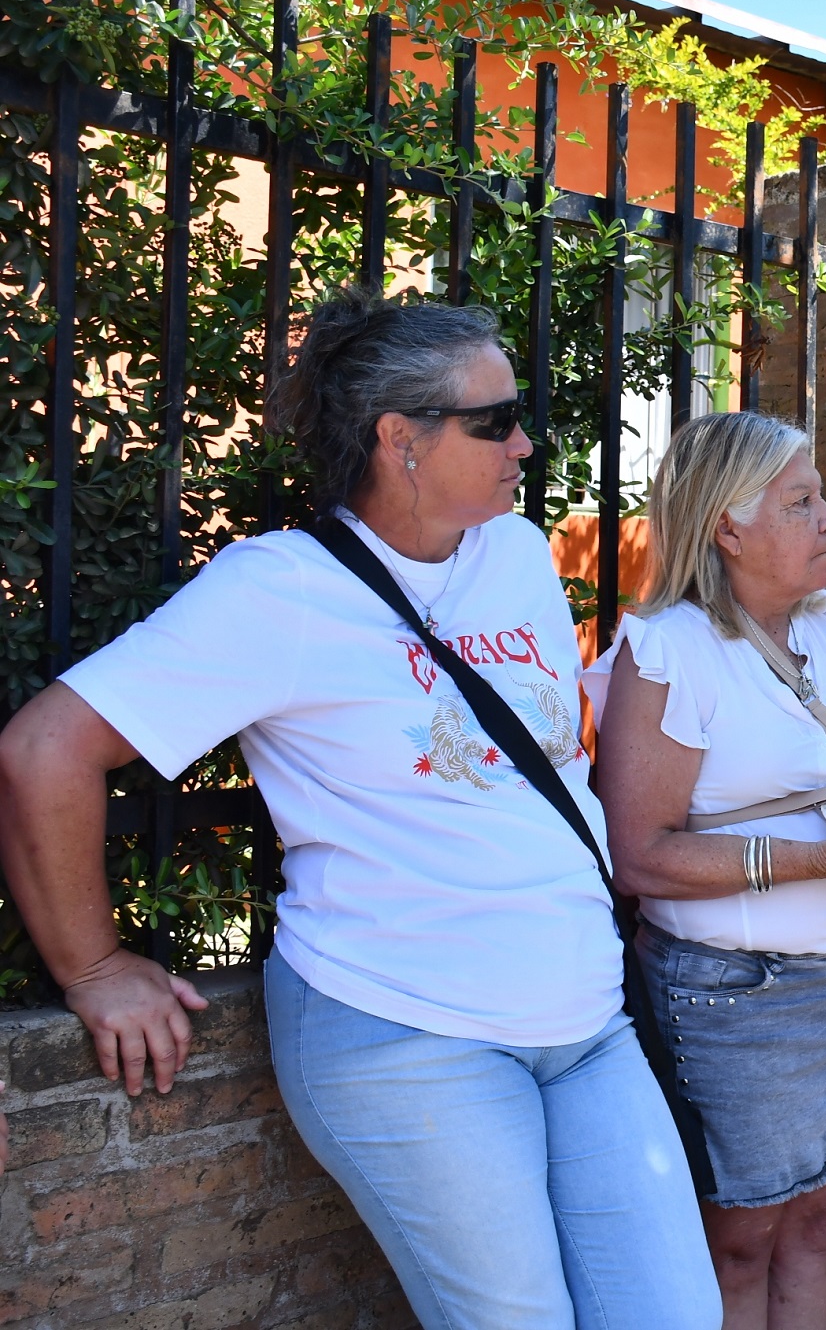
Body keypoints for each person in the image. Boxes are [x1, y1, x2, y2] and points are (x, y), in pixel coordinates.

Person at [0, 289, 721, 1330]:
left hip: (585, 1023)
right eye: (494, 421)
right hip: (409, 1032)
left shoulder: (518, 554)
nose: (525, 443)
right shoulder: (281, 593)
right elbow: (44, 750)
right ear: (400, 439)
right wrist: (95, 968)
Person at [587, 411, 826, 1330]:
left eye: (820, 498)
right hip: (739, 993)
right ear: (726, 527)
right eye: (800, 501)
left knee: (821, 1223)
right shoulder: (669, 651)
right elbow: (641, 854)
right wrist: (819, 858)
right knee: (738, 1242)